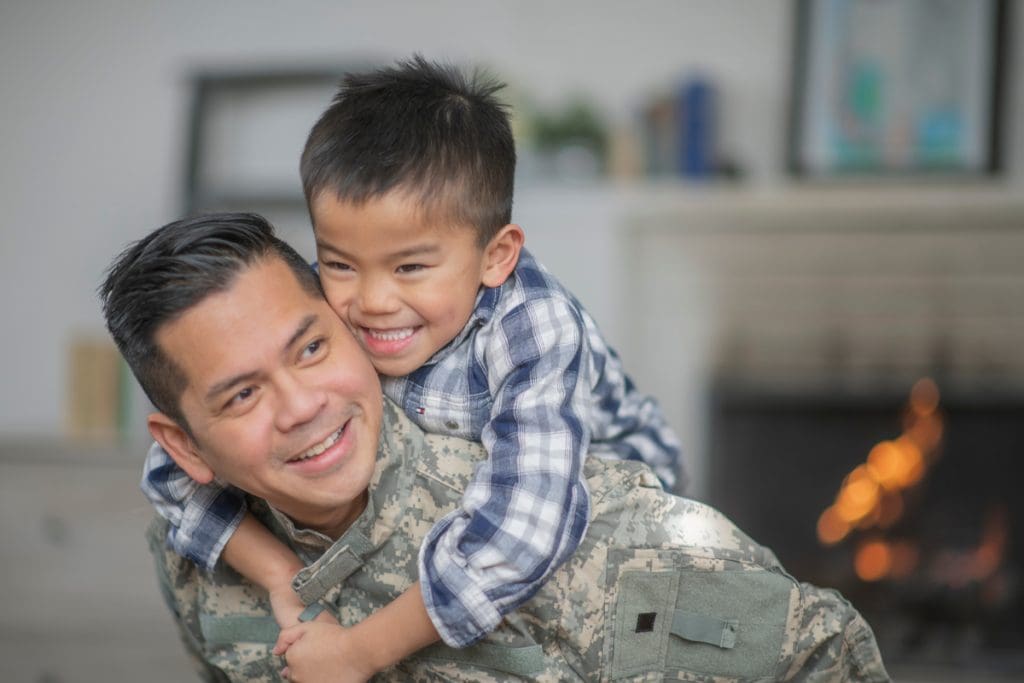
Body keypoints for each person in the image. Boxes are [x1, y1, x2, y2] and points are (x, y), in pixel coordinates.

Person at [101, 213, 889, 682]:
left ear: (352, 322)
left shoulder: (575, 527)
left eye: (311, 349)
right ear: (185, 446)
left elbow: (827, 655)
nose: (302, 405)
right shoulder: (192, 565)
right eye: (242, 394)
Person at [139, 55, 684, 658]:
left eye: (411, 268)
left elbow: (524, 527)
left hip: (615, 494)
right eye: (341, 263)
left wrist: (362, 651)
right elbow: (174, 469)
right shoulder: (324, 303)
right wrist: (279, 574)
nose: (371, 302)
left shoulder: (534, 326)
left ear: (495, 256)